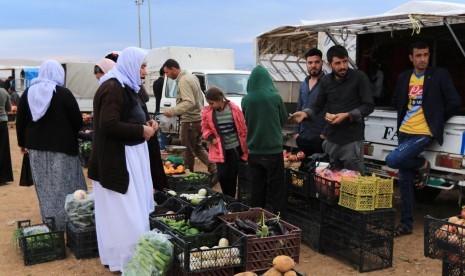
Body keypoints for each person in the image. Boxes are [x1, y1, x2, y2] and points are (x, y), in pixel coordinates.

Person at [88, 47, 156, 272]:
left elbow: (132, 115)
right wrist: (139, 131)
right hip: (117, 160)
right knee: (123, 213)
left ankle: (131, 258)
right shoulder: (112, 88)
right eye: (143, 66)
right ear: (131, 65)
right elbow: (108, 124)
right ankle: (126, 260)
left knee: (131, 209)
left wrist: (147, 125)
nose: (145, 71)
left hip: (130, 156)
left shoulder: (126, 86)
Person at [385, 41, 462, 237]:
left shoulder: (439, 75)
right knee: (404, 180)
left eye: (426, 55)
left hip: (424, 132)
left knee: (392, 159)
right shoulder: (404, 78)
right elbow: (396, 101)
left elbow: (454, 102)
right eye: (418, 55)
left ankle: (420, 163)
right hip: (404, 131)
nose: (423, 59)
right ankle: (406, 224)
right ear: (411, 58)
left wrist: (436, 119)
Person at [15, 60, 87, 230]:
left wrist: (22, 143)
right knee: (66, 183)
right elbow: (76, 121)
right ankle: (70, 221)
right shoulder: (63, 93)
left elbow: (21, 120)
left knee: (45, 185)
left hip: (36, 148)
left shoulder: (28, 93)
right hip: (62, 146)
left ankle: (51, 221)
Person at [290, 45, 374, 173]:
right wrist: (305, 113)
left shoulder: (359, 77)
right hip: (332, 140)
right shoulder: (326, 81)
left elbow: (368, 106)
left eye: (345, 61)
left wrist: (347, 115)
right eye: (338, 63)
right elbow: (318, 105)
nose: (343, 66)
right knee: (331, 179)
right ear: (329, 64)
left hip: (352, 139)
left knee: (353, 179)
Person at [241, 65, 288, 216]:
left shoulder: (245, 100)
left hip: (254, 151)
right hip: (273, 151)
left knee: (257, 188)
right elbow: (283, 120)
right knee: (277, 189)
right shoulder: (275, 97)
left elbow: (247, 121)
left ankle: (255, 221)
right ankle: (279, 222)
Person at [162, 59, 217, 182]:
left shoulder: (183, 81)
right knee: (197, 147)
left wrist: (173, 111)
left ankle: (188, 176)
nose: (167, 76)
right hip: (197, 119)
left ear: (173, 69)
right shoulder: (192, 77)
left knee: (187, 150)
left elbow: (189, 101)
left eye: (167, 72)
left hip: (190, 121)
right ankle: (214, 167)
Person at [201, 86, 248, 197]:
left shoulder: (234, 110)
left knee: (232, 175)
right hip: (219, 150)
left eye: (212, 103)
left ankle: (230, 198)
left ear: (219, 100)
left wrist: (245, 146)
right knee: (222, 175)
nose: (210, 106)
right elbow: (204, 128)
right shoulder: (207, 112)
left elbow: (242, 128)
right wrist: (211, 137)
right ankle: (226, 196)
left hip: (234, 148)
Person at [293, 48, 327, 158]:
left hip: (319, 136)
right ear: (306, 64)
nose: (313, 65)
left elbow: (333, 110)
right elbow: (299, 107)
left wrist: (324, 134)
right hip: (303, 136)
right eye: (310, 62)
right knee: (302, 170)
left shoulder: (328, 83)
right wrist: (296, 132)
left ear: (322, 63)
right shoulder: (303, 84)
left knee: (319, 171)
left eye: (317, 62)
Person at [0, 87, 13, 185]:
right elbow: (8, 108)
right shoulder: (3, 91)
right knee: (3, 149)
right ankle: (3, 177)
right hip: (2, 123)